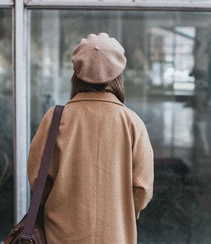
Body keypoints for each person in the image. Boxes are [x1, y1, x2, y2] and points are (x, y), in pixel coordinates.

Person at [27, 32, 154, 244]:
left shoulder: (55, 118)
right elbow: (142, 189)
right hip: (115, 235)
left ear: (76, 74)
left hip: (60, 235)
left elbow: (38, 179)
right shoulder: (132, 123)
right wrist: (119, 211)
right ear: (118, 75)